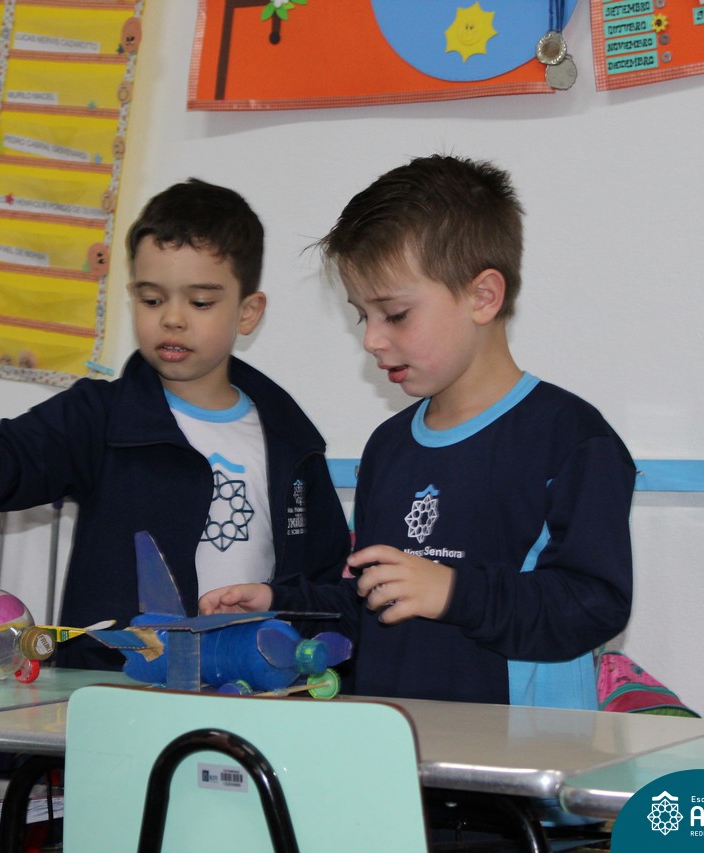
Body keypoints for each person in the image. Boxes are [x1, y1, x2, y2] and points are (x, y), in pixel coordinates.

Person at [201, 155, 634, 710]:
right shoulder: (389, 447)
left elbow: (593, 606)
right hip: (394, 746)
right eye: (363, 316)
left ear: (483, 297)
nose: (371, 340)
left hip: (516, 754)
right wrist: (280, 605)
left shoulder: (571, 440)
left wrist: (452, 592)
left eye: (396, 314)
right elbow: (369, 598)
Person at [0, 178, 352, 671]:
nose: (173, 319)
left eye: (201, 302)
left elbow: (329, 593)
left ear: (247, 313)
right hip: (113, 693)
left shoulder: (291, 443)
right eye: (152, 299)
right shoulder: (101, 416)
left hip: (249, 694)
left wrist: (277, 603)